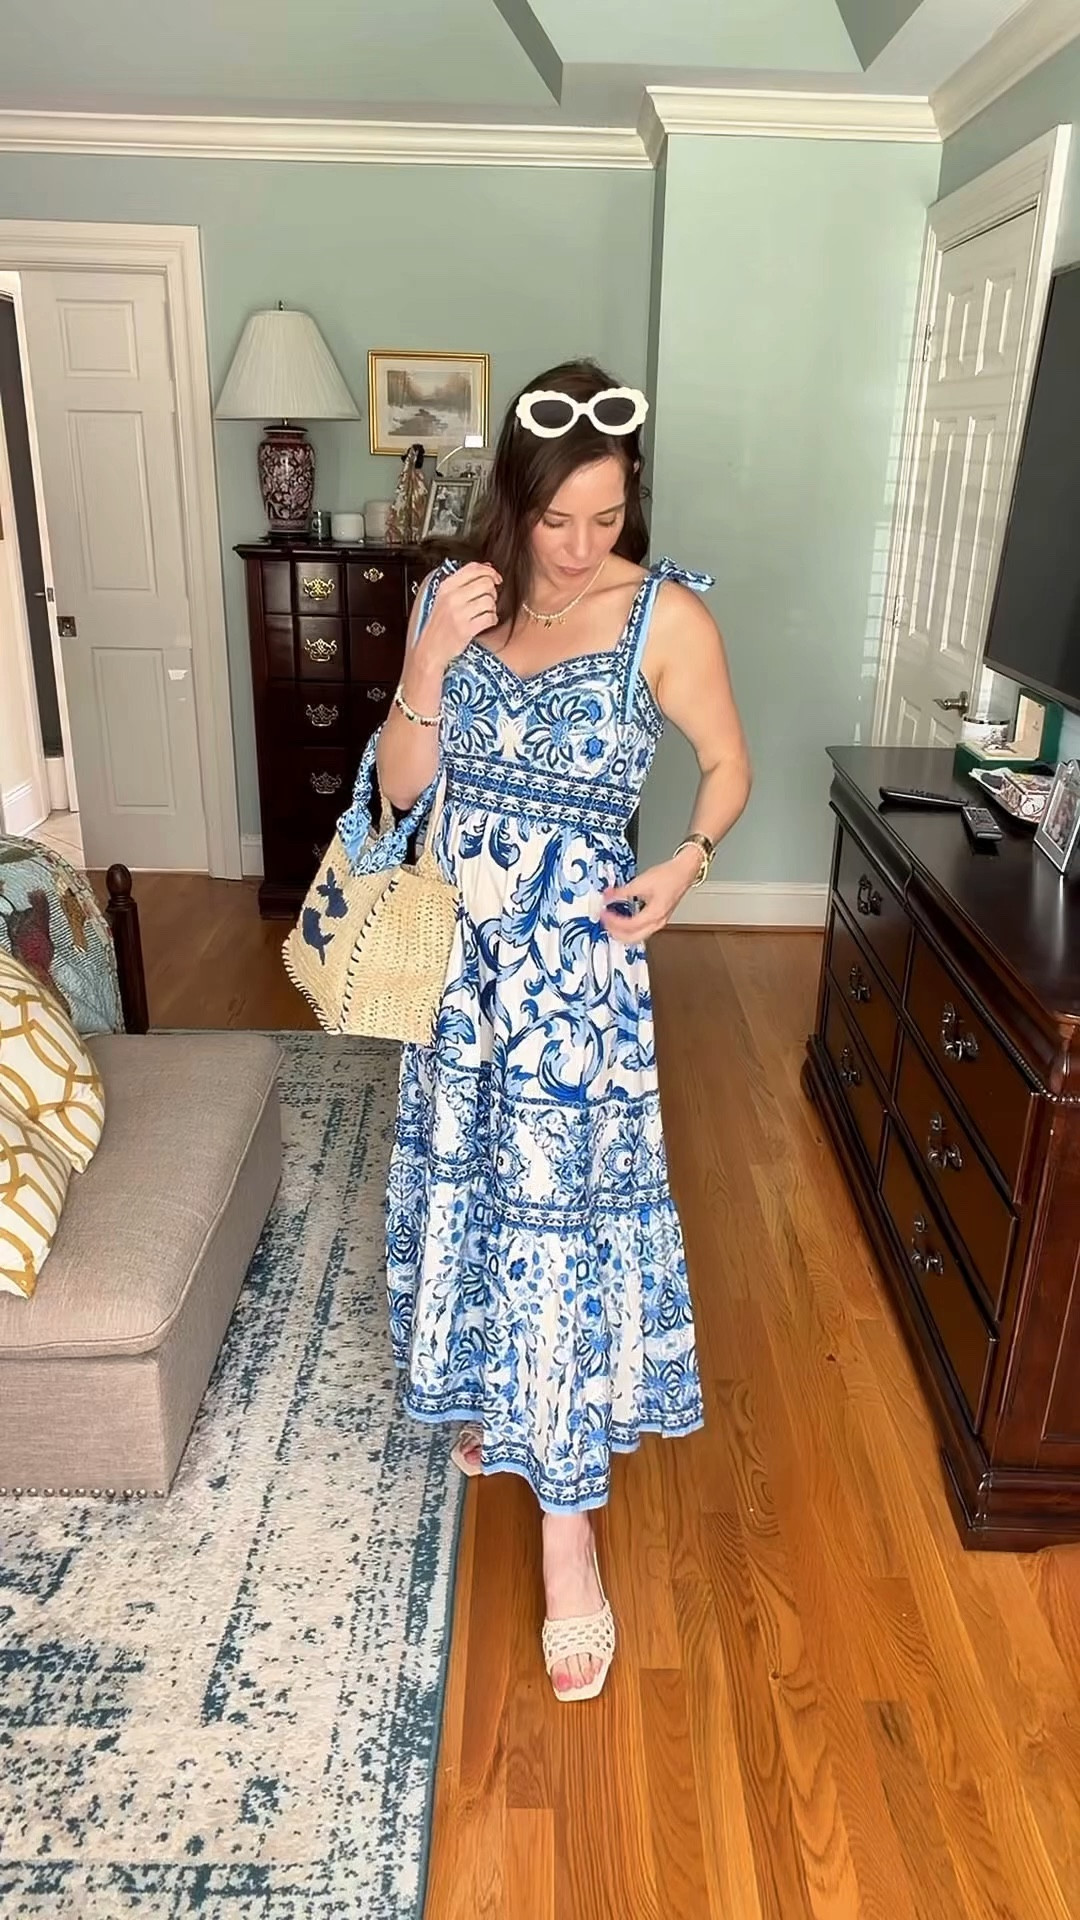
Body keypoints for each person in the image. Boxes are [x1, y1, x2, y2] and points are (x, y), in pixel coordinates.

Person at [374, 360, 751, 1701]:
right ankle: (493, 1390)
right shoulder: (451, 599)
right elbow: (400, 790)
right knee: (475, 1192)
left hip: (574, 988)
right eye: (559, 519)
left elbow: (728, 764)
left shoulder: (665, 616)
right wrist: (430, 659)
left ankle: (568, 1543)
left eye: (608, 515)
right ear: (514, 500)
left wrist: (687, 863)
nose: (585, 546)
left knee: (558, 1228)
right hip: (457, 974)